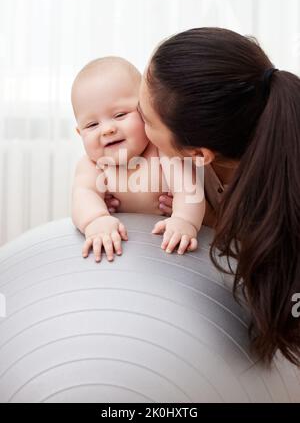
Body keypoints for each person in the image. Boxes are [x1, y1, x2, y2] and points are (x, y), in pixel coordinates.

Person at [107, 28, 300, 367]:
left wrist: (216, 220)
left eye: (147, 120)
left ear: (198, 153)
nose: (136, 123)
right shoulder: (201, 156)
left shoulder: (283, 188)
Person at [71, 56, 205, 262]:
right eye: (91, 125)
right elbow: (83, 194)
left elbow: (189, 188)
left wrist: (184, 220)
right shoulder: (93, 164)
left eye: (120, 115)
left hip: (165, 252)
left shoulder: (161, 150)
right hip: (122, 255)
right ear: (80, 133)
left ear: (145, 111)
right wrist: (96, 220)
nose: (107, 129)